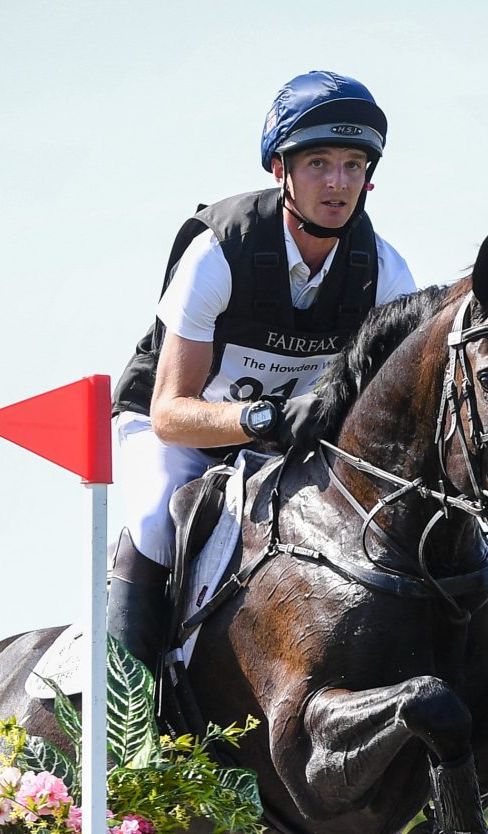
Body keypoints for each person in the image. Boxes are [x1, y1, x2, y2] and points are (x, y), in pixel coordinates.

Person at [107, 71, 420, 665]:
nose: (338, 182)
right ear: (281, 171)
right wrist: (265, 417)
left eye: (354, 164)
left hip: (288, 438)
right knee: (152, 519)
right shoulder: (219, 251)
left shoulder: (384, 273)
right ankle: (131, 716)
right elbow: (172, 415)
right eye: (319, 163)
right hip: (172, 425)